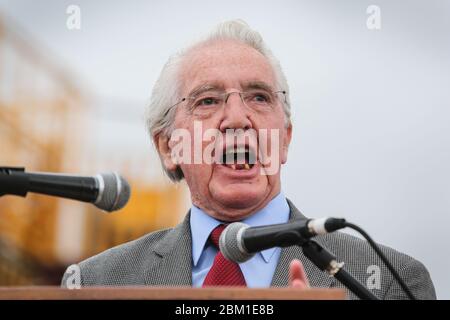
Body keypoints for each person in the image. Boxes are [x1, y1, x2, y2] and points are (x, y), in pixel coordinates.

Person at [62, 20, 436, 299]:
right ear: (169, 147)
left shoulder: (390, 280)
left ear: (285, 139)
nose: (238, 118)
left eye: (259, 97)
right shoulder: (95, 283)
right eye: (207, 100)